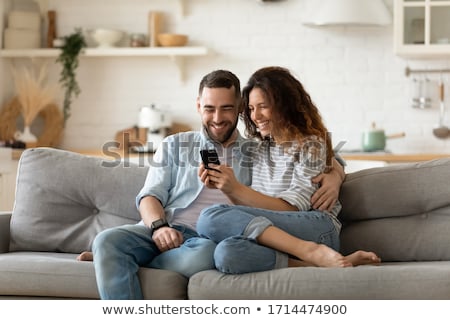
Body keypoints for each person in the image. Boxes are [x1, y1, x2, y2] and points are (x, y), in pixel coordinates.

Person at [78, 69, 345, 299]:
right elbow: (150, 196)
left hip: (205, 240)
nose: (217, 118)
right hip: (164, 230)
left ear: (240, 108)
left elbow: (318, 151)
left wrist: (335, 175)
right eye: (209, 108)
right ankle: (114, 258)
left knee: (206, 254)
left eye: (227, 108)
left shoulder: (256, 150)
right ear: (198, 106)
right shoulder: (175, 145)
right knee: (106, 240)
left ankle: (120, 261)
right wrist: (159, 228)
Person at [197, 66, 380, 274]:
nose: (255, 116)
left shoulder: (311, 146)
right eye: (250, 109)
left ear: (285, 105)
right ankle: (316, 262)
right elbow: (255, 210)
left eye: (263, 106)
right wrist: (226, 188)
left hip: (316, 229)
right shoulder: (258, 149)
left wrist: (235, 189)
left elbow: (292, 209)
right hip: (278, 234)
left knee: (209, 218)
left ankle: (311, 250)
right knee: (226, 253)